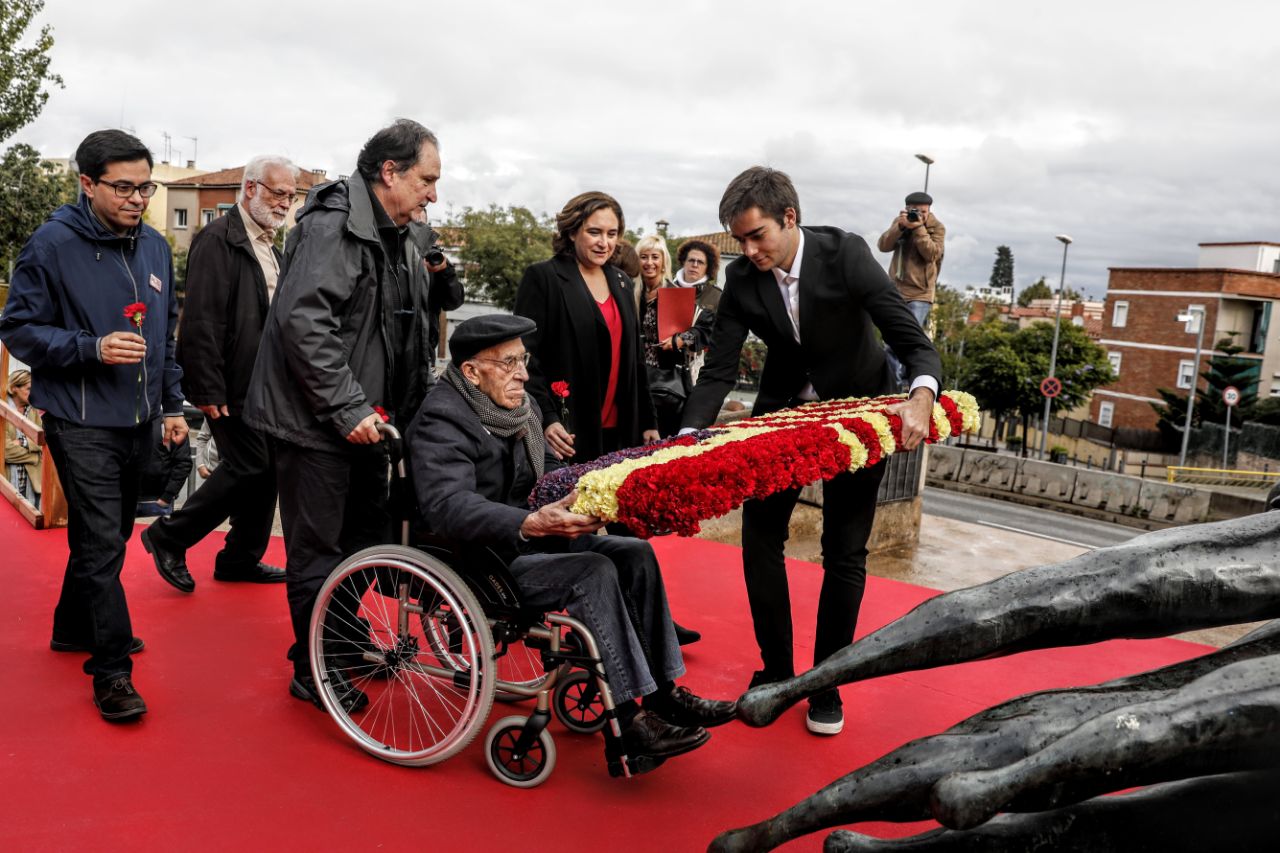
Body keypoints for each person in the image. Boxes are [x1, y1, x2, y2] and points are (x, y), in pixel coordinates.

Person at [407, 314, 736, 775]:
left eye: (523, 360)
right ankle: (626, 725)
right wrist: (530, 521)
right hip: (481, 559)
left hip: (526, 539)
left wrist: (586, 496)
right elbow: (448, 506)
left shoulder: (518, 409)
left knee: (634, 553)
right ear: (471, 371)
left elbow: (537, 484)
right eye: (508, 363)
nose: (523, 373)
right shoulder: (443, 418)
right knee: (593, 571)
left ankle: (665, 694)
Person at [680, 166, 941, 736]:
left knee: (844, 552)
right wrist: (686, 439)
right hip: (784, 414)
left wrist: (920, 395)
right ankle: (776, 670)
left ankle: (827, 682)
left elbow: (908, 338)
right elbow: (719, 369)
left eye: (757, 236)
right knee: (759, 535)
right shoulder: (745, 281)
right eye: (739, 240)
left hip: (858, 412)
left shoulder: (844, 253)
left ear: (789, 218)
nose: (748, 251)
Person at [243, 119, 440, 710]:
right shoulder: (334, 226)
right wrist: (349, 405)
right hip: (317, 422)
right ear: (390, 173)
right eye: (427, 179)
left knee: (358, 545)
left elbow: (408, 329)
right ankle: (314, 669)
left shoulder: (398, 232)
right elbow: (305, 324)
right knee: (318, 551)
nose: (433, 193)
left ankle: (340, 644)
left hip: (365, 423)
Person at [0, 129, 188, 721]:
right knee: (103, 543)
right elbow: (18, 328)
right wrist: (92, 346)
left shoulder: (156, 247)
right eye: (124, 187)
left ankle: (69, 628)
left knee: (104, 537)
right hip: (79, 422)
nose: (137, 198)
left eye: (145, 186)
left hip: (140, 420)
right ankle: (111, 671)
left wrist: (174, 405)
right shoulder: (51, 245)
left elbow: (165, 337)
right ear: (88, 183)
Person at [140, 156, 299, 592]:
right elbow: (202, 321)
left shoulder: (272, 246)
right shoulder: (218, 238)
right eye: (279, 193)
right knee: (251, 465)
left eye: (292, 195)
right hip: (229, 383)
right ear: (250, 189)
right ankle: (168, 536)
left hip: (268, 384)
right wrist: (207, 385)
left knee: (268, 471)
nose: (286, 202)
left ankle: (239, 558)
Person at [514, 191, 658, 464]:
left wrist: (648, 421)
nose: (605, 243)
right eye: (594, 232)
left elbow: (636, 361)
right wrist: (547, 417)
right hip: (567, 434)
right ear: (572, 232)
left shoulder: (623, 282)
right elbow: (524, 358)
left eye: (612, 233)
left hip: (622, 432)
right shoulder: (544, 277)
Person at [877, 191, 945, 387]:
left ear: (929, 210)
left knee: (908, 338)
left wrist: (918, 229)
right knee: (890, 340)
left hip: (920, 293)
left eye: (923, 212)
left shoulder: (937, 227)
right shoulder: (901, 222)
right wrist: (900, 227)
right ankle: (892, 384)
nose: (919, 215)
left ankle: (908, 381)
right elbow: (883, 245)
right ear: (906, 209)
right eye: (914, 211)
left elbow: (932, 254)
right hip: (896, 290)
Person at [135, 416, 193, 517]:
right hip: (122, 500)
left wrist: (167, 496)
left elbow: (183, 463)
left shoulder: (167, 422)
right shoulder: (123, 417)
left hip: (156, 501)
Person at [4, 368, 43, 507]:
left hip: (33, 482)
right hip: (8, 480)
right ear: (14, 388)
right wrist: (35, 456)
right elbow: (5, 451)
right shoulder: (3, 410)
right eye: (29, 388)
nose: (33, 393)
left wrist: (22, 442)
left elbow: (44, 442)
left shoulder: (36, 410)